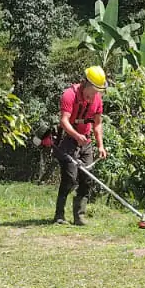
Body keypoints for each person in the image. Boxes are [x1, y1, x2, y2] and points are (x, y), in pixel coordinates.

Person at [54, 66, 108, 225]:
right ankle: (59, 216)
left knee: (87, 179)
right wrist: (76, 136)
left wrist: (100, 146)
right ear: (86, 84)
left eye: (98, 91)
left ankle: (79, 216)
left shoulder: (97, 99)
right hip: (69, 140)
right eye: (94, 90)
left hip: (86, 142)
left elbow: (97, 124)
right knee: (70, 178)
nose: (95, 94)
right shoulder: (69, 95)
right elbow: (64, 121)